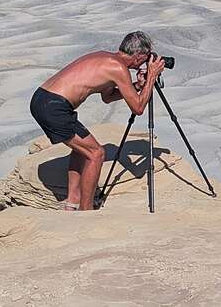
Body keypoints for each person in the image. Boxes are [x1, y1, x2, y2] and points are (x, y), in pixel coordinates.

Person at [30, 31, 166, 210]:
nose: (146, 61)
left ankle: (72, 201)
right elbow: (138, 108)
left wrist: (139, 85)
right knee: (96, 154)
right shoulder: (118, 68)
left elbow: (108, 97)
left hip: (43, 99)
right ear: (139, 55)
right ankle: (87, 210)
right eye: (146, 57)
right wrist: (152, 78)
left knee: (82, 150)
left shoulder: (107, 59)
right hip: (54, 106)